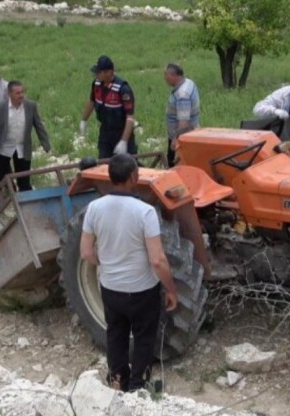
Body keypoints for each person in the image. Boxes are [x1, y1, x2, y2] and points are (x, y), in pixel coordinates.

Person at [80, 153, 178, 391]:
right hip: (142, 290)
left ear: (111, 177)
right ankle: (137, 385)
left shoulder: (94, 208)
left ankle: (117, 380)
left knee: (116, 335)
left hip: (110, 289)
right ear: (134, 176)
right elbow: (157, 260)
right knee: (144, 337)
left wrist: (107, 262)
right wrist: (171, 289)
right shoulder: (145, 212)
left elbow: (86, 253)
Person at [0, 81, 51, 191]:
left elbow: (38, 125)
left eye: (22, 92)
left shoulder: (30, 105)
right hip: (4, 147)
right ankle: (8, 195)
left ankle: (25, 199)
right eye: (17, 93)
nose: (21, 95)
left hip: (22, 146)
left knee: (24, 177)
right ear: (9, 94)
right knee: (2, 176)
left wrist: (45, 142)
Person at [80, 55, 137, 159]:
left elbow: (130, 118)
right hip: (105, 131)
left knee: (127, 166)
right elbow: (92, 101)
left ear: (109, 72)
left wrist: (124, 141)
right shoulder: (97, 84)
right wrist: (84, 120)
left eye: (98, 73)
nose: (96, 75)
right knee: (104, 162)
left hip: (121, 131)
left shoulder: (123, 89)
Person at [164, 63, 200, 167]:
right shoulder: (188, 82)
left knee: (174, 166)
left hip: (182, 137)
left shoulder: (182, 94)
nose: (165, 78)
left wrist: (176, 140)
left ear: (174, 76)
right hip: (191, 131)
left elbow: (183, 120)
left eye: (166, 75)